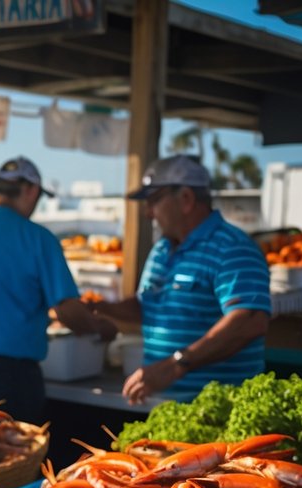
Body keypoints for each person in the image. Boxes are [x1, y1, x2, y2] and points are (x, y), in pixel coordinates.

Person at [0, 156, 117, 423]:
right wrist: (100, 328)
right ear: (31, 191)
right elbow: (67, 312)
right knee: (15, 460)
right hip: (10, 381)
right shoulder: (38, 238)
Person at [88, 155, 271, 404]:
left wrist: (176, 365)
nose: (147, 213)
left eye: (153, 201)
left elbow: (250, 322)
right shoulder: (162, 249)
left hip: (218, 413)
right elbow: (149, 306)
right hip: (162, 407)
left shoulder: (233, 247)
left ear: (185, 199)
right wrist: (101, 308)